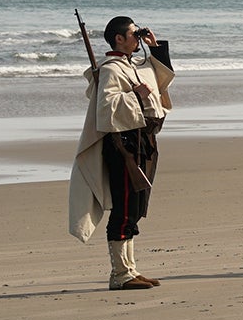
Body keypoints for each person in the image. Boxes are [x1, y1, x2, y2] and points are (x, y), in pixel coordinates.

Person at [68, 16, 174, 291]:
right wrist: (136, 96)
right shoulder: (111, 70)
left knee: (136, 208)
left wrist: (155, 45)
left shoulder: (133, 64)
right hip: (124, 146)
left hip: (144, 142)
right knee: (125, 207)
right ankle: (120, 274)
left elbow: (161, 77)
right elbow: (107, 110)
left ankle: (131, 269)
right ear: (118, 38)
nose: (137, 38)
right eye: (133, 34)